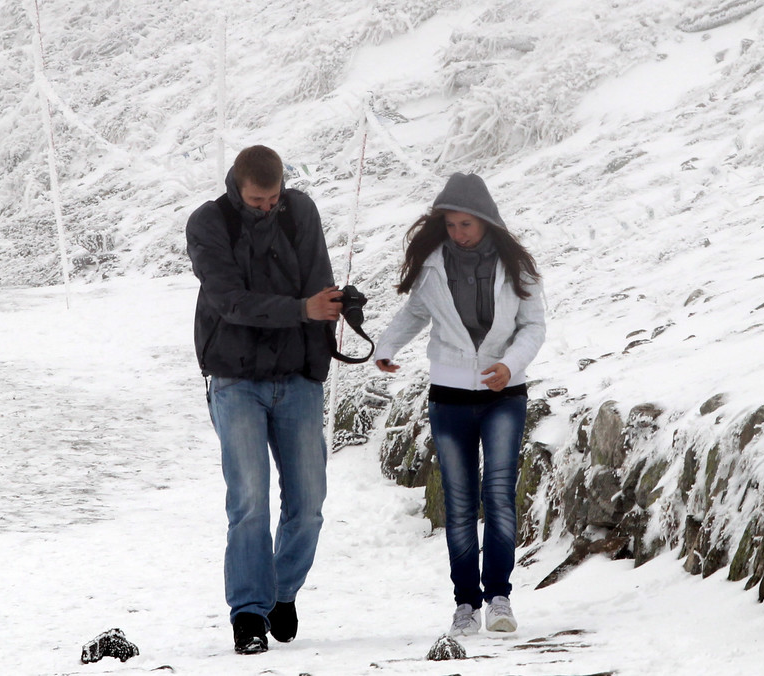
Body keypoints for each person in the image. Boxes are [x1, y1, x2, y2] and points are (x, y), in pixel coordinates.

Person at [373, 172, 546, 636]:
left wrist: (509, 365)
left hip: (502, 394)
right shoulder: (432, 265)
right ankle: (465, 604)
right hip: (448, 395)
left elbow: (533, 327)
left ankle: (499, 598)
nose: (458, 233)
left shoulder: (518, 267)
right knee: (461, 501)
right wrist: (386, 347)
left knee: (500, 496)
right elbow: (414, 312)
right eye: (450, 225)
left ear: (487, 221)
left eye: (466, 225)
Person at [186, 145, 343, 655]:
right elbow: (229, 301)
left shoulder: (301, 210)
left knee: (310, 503)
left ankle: (281, 592)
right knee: (249, 500)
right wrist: (303, 309)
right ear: (237, 185)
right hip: (235, 380)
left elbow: (318, 278)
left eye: (273, 198)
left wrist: (334, 306)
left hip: (298, 376)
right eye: (257, 201)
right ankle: (249, 614)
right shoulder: (207, 224)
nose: (266, 208)